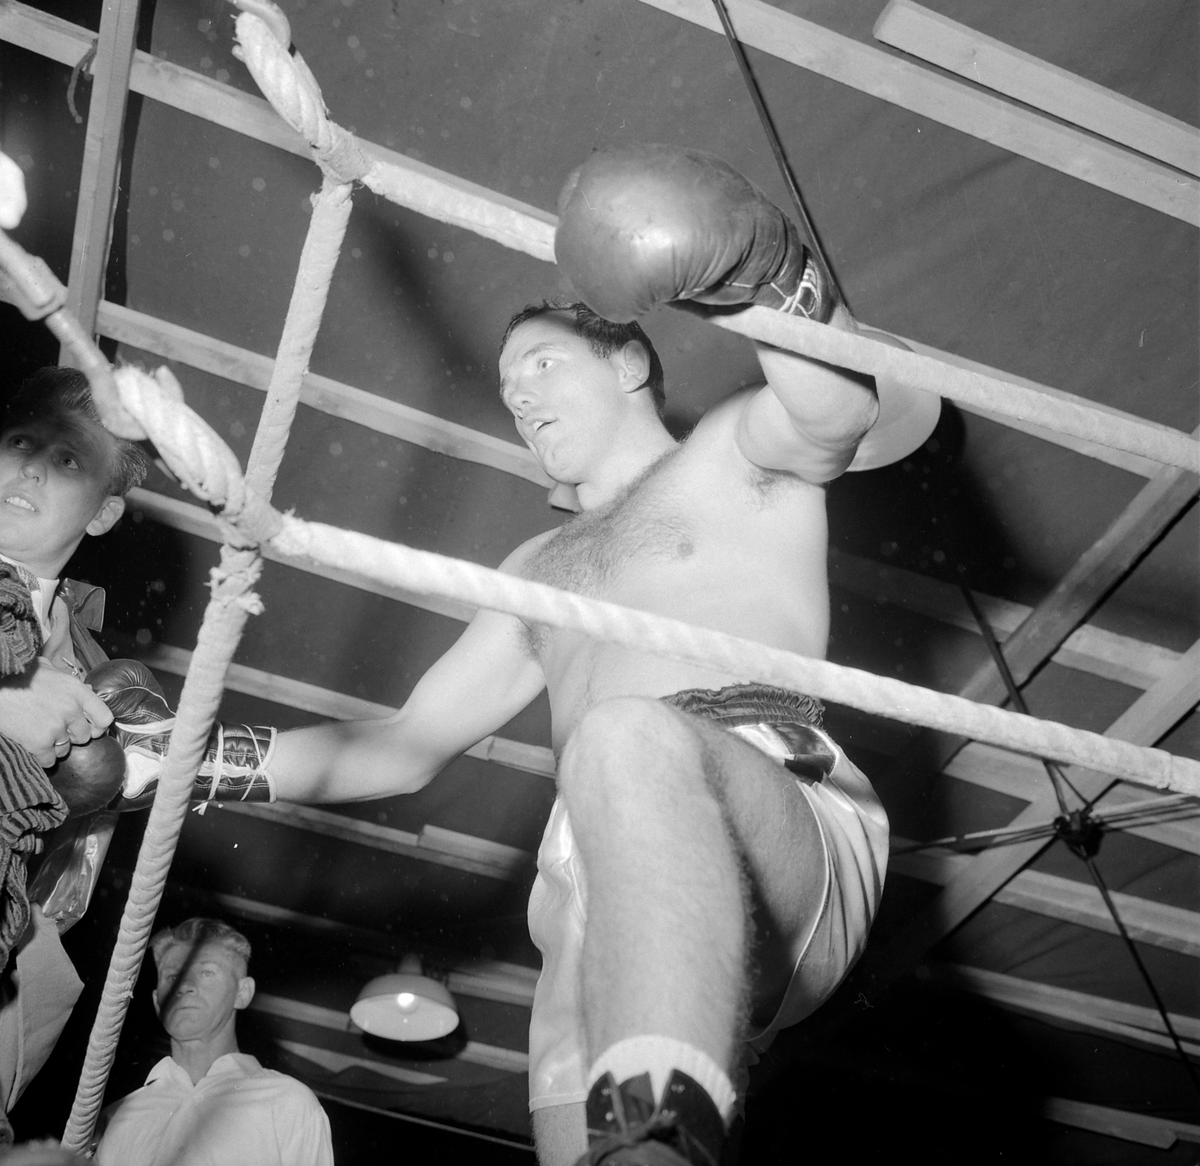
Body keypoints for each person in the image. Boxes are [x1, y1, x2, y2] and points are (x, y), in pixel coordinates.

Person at [181, 145, 937, 1165]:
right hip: (593, 873)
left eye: (543, 363)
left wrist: (760, 265)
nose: (522, 396)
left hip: (762, 794)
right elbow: (399, 745)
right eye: (507, 385)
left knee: (624, 741)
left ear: (629, 361)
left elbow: (836, 410)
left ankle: (661, 1138)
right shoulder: (534, 565)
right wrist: (185, 764)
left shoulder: (728, 455)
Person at [0, 366, 148, 1144]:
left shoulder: (99, 676)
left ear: (104, 513)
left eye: (66, 460)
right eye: (20, 440)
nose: (28, 464)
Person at [94, 917, 333, 1166]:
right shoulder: (115, 1118)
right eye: (172, 977)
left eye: (206, 972)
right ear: (157, 1002)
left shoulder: (288, 1103)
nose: (185, 986)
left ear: (242, 994)